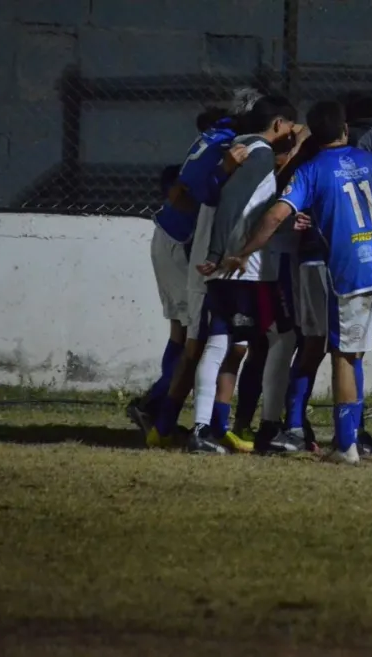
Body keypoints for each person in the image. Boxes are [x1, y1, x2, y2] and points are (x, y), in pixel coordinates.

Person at [225, 99, 372, 465]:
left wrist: (245, 251)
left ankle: (345, 446)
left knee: (344, 354)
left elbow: (277, 215)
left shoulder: (310, 171)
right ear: (344, 130)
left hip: (351, 271)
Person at [148, 95, 298, 453]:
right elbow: (228, 203)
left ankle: (212, 426)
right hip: (229, 266)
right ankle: (177, 424)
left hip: (227, 262)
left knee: (230, 343)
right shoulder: (255, 153)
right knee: (210, 343)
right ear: (277, 124)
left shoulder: (233, 146)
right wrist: (220, 254)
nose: (295, 133)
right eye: (292, 126)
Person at [131, 107, 249, 446]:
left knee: (183, 332)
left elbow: (180, 185)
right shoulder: (229, 144)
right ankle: (157, 409)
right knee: (197, 335)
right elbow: (191, 190)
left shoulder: (214, 136)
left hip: (169, 236)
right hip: (180, 243)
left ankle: (158, 411)